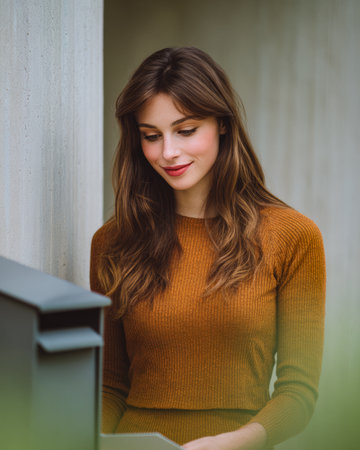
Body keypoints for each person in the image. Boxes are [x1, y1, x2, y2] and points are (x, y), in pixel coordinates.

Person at [90, 47, 326, 450]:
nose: (168, 152)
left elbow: (297, 393)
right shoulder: (113, 242)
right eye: (151, 136)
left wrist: (233, 443)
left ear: (222, 124)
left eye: (185, 130)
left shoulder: (294, 237)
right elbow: (109, 387)